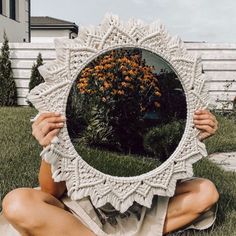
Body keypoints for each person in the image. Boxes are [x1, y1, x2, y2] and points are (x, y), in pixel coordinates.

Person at [1, 109, 219, 236]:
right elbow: (51, 191)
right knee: (17, 203)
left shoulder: (155, 121)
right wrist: (51, 147)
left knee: (206, 192)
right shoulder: (67, 114)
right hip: (76, 212)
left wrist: (190, 140)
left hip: (137, 210)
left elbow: (163, 176)